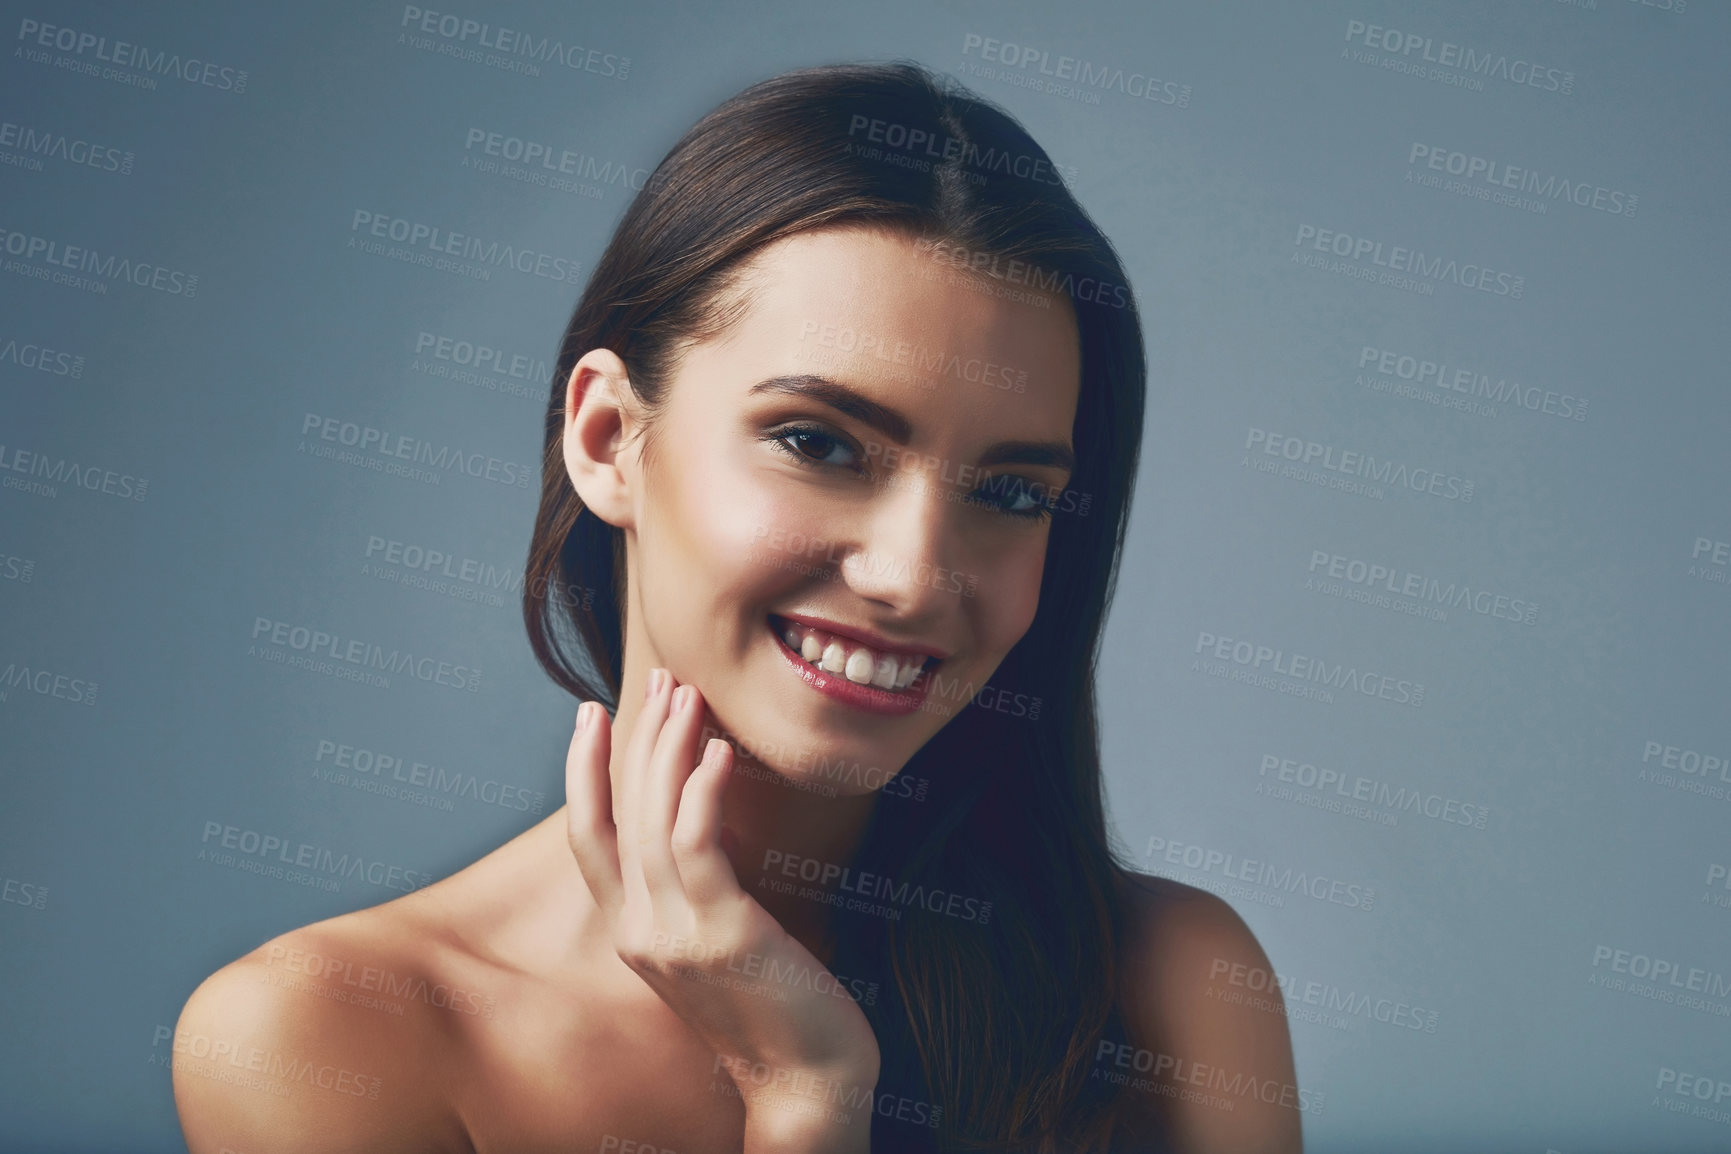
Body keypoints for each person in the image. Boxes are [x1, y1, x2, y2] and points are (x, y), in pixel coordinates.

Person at [173, 61, 1300, 1154]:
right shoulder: (330, 1037)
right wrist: (805, 1103)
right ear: (609, 440)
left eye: (1010, 492)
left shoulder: (1172, 988)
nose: (912, 576)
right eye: (818, 442)